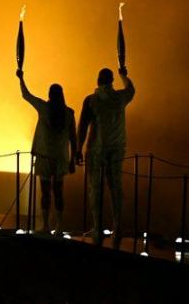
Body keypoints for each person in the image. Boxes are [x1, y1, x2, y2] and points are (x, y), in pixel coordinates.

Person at [77, 66, 135, 248]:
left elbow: (83, 127)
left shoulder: (91, 100)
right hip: (117, 149)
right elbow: (132, 89)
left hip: (96, 149)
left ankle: (97, 226)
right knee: (116, 187)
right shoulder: (120, 98)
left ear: (98, 80)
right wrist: (123, 75)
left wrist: (78, 149)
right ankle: (117, 226)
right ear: (112, 81)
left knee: (95, 188)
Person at [16, 69, 77, 234]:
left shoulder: (44, 108)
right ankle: (58, 226)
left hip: (45, 157)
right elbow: (73, 137)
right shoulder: (69, 113)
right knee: (58, 192)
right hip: (61, 158)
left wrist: (21, 78)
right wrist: (72, 160)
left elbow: (26, 95)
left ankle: (46, 226)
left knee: (45, 192)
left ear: (50, 94)